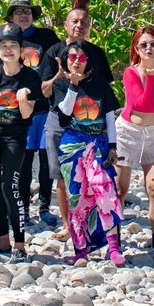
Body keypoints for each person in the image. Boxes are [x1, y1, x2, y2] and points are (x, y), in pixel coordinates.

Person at [39, 8, 113, 240]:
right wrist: (60, 76)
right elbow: (44, 90)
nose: (79, 25)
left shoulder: (97, 53)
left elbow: (105, 91)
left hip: (89, 122)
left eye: (84, 21)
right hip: (59, 120)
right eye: (74, 21)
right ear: (65, 24)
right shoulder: (54, 52)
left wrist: (107, 136)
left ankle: (91, 223)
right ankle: (67, 225)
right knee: (62, 176)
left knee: (91, 176)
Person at [51, 41, 126, 265]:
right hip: (72, 145)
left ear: (88, 61)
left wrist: (112, 146)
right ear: (66, 60)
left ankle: (114, 247)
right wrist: (73, 85)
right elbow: (64, 113)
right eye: (72, 57)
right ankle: (80, 249)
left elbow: (110, 117)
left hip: (97, 143)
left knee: (106, 191)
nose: (77, 62)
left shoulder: (99, 83)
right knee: (76, 197)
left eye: (82, 58)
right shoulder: (61, 84)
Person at [115, 26, 154, 266]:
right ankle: (114, 242)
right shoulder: (131, 73)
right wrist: (150, 79)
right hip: (128, 133)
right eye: (144, 45)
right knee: (120, 189)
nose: (149, 48)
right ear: (136, 48)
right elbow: (141, 102)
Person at [0, 23, 42, 261]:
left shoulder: (30, 77)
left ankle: (20, 245)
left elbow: (26, 114)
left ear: (20, 49)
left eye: (13, 45)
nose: (8, 50)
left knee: (10, 187)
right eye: (3, 45)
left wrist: (23, 99)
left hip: (14, 138)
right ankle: (3, 241)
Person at [5, 0, 59, 228]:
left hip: (45, 108)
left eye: (27, 11)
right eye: (18, 12)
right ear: (11, 16)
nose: (23, 15)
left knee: (47, 161)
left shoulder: (47, 37)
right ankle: (23, 208)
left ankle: (45, 206)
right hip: (20, 110)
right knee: (23, 162)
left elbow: (61, 62)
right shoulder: (8, 38)